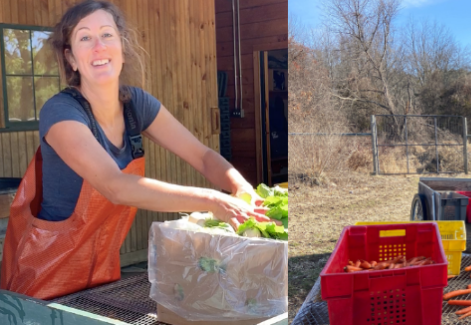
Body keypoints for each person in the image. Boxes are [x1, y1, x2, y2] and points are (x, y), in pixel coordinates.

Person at [0, 0, 274, 300]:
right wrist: (212, 200)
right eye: (84, 38)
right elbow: (116, 186)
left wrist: (245, 191)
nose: (98, 46)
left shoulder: (136, 105)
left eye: (106, 34)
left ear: (122, 46)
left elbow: (203, 156)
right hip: (44, 282)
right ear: (71, 58)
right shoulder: (60, 112)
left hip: (102, 276)